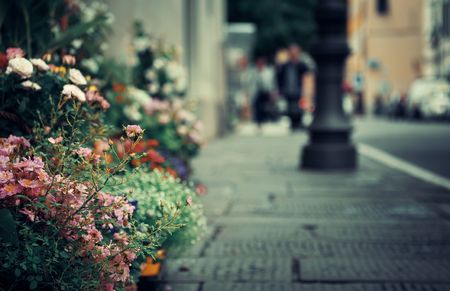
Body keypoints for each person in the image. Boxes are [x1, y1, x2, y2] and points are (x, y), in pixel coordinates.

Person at [276, 44, 312, 130]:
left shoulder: (302, 65)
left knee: (299, 107)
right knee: (290, 107)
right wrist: (280, 89)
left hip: (299, 90)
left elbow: (308, 75)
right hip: (288, 90)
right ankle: (293, 123)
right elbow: (279, 78)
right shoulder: (285, 66)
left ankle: (298, 122)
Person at [251, 56, 276, 127]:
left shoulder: (268, 71)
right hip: (257, 92)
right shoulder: (254, 72)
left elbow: (271, 82)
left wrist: (273, 92)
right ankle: (259, 121)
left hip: (266, 91)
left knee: (268, 107)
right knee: (258, 107)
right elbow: (252, 83)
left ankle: (268, 119)